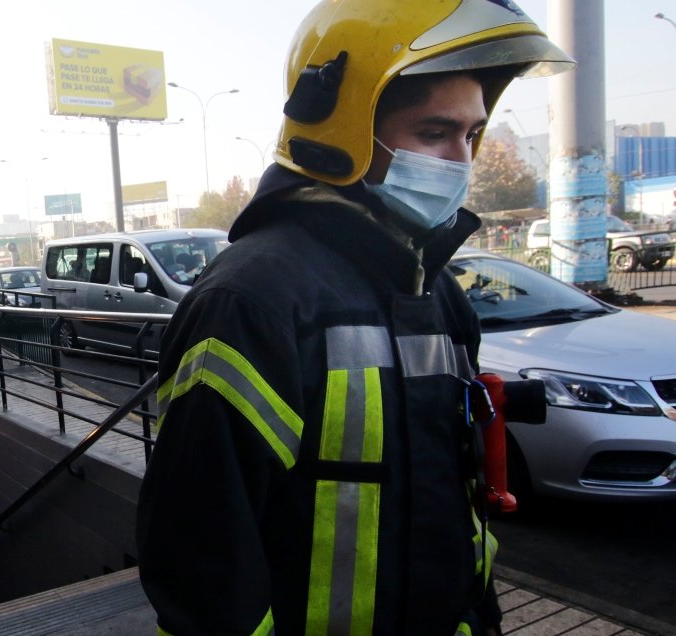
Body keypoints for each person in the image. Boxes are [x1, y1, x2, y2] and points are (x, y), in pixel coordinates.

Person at [135, 2, 574, 635]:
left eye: (471, 134)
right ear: (343, 130)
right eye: (434, 132)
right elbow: (202, 563)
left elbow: (457, 509)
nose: (461, 160)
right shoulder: (250, 302)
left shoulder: (437, 290)